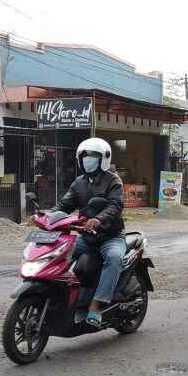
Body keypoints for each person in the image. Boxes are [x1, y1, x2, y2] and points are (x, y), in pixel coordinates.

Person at [55, 137, 125, 328]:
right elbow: (64, 205)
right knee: (59, 253)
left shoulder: (113, 181)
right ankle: (57, 296)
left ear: (103, 158)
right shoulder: (79, 183)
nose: (88, 159)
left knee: (114, 259)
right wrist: (46, 217)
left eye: (93, 155)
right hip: (86, 238)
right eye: (85, 156)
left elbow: (116, 205)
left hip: (110, 237)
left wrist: (98, 219)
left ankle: (96, 305)